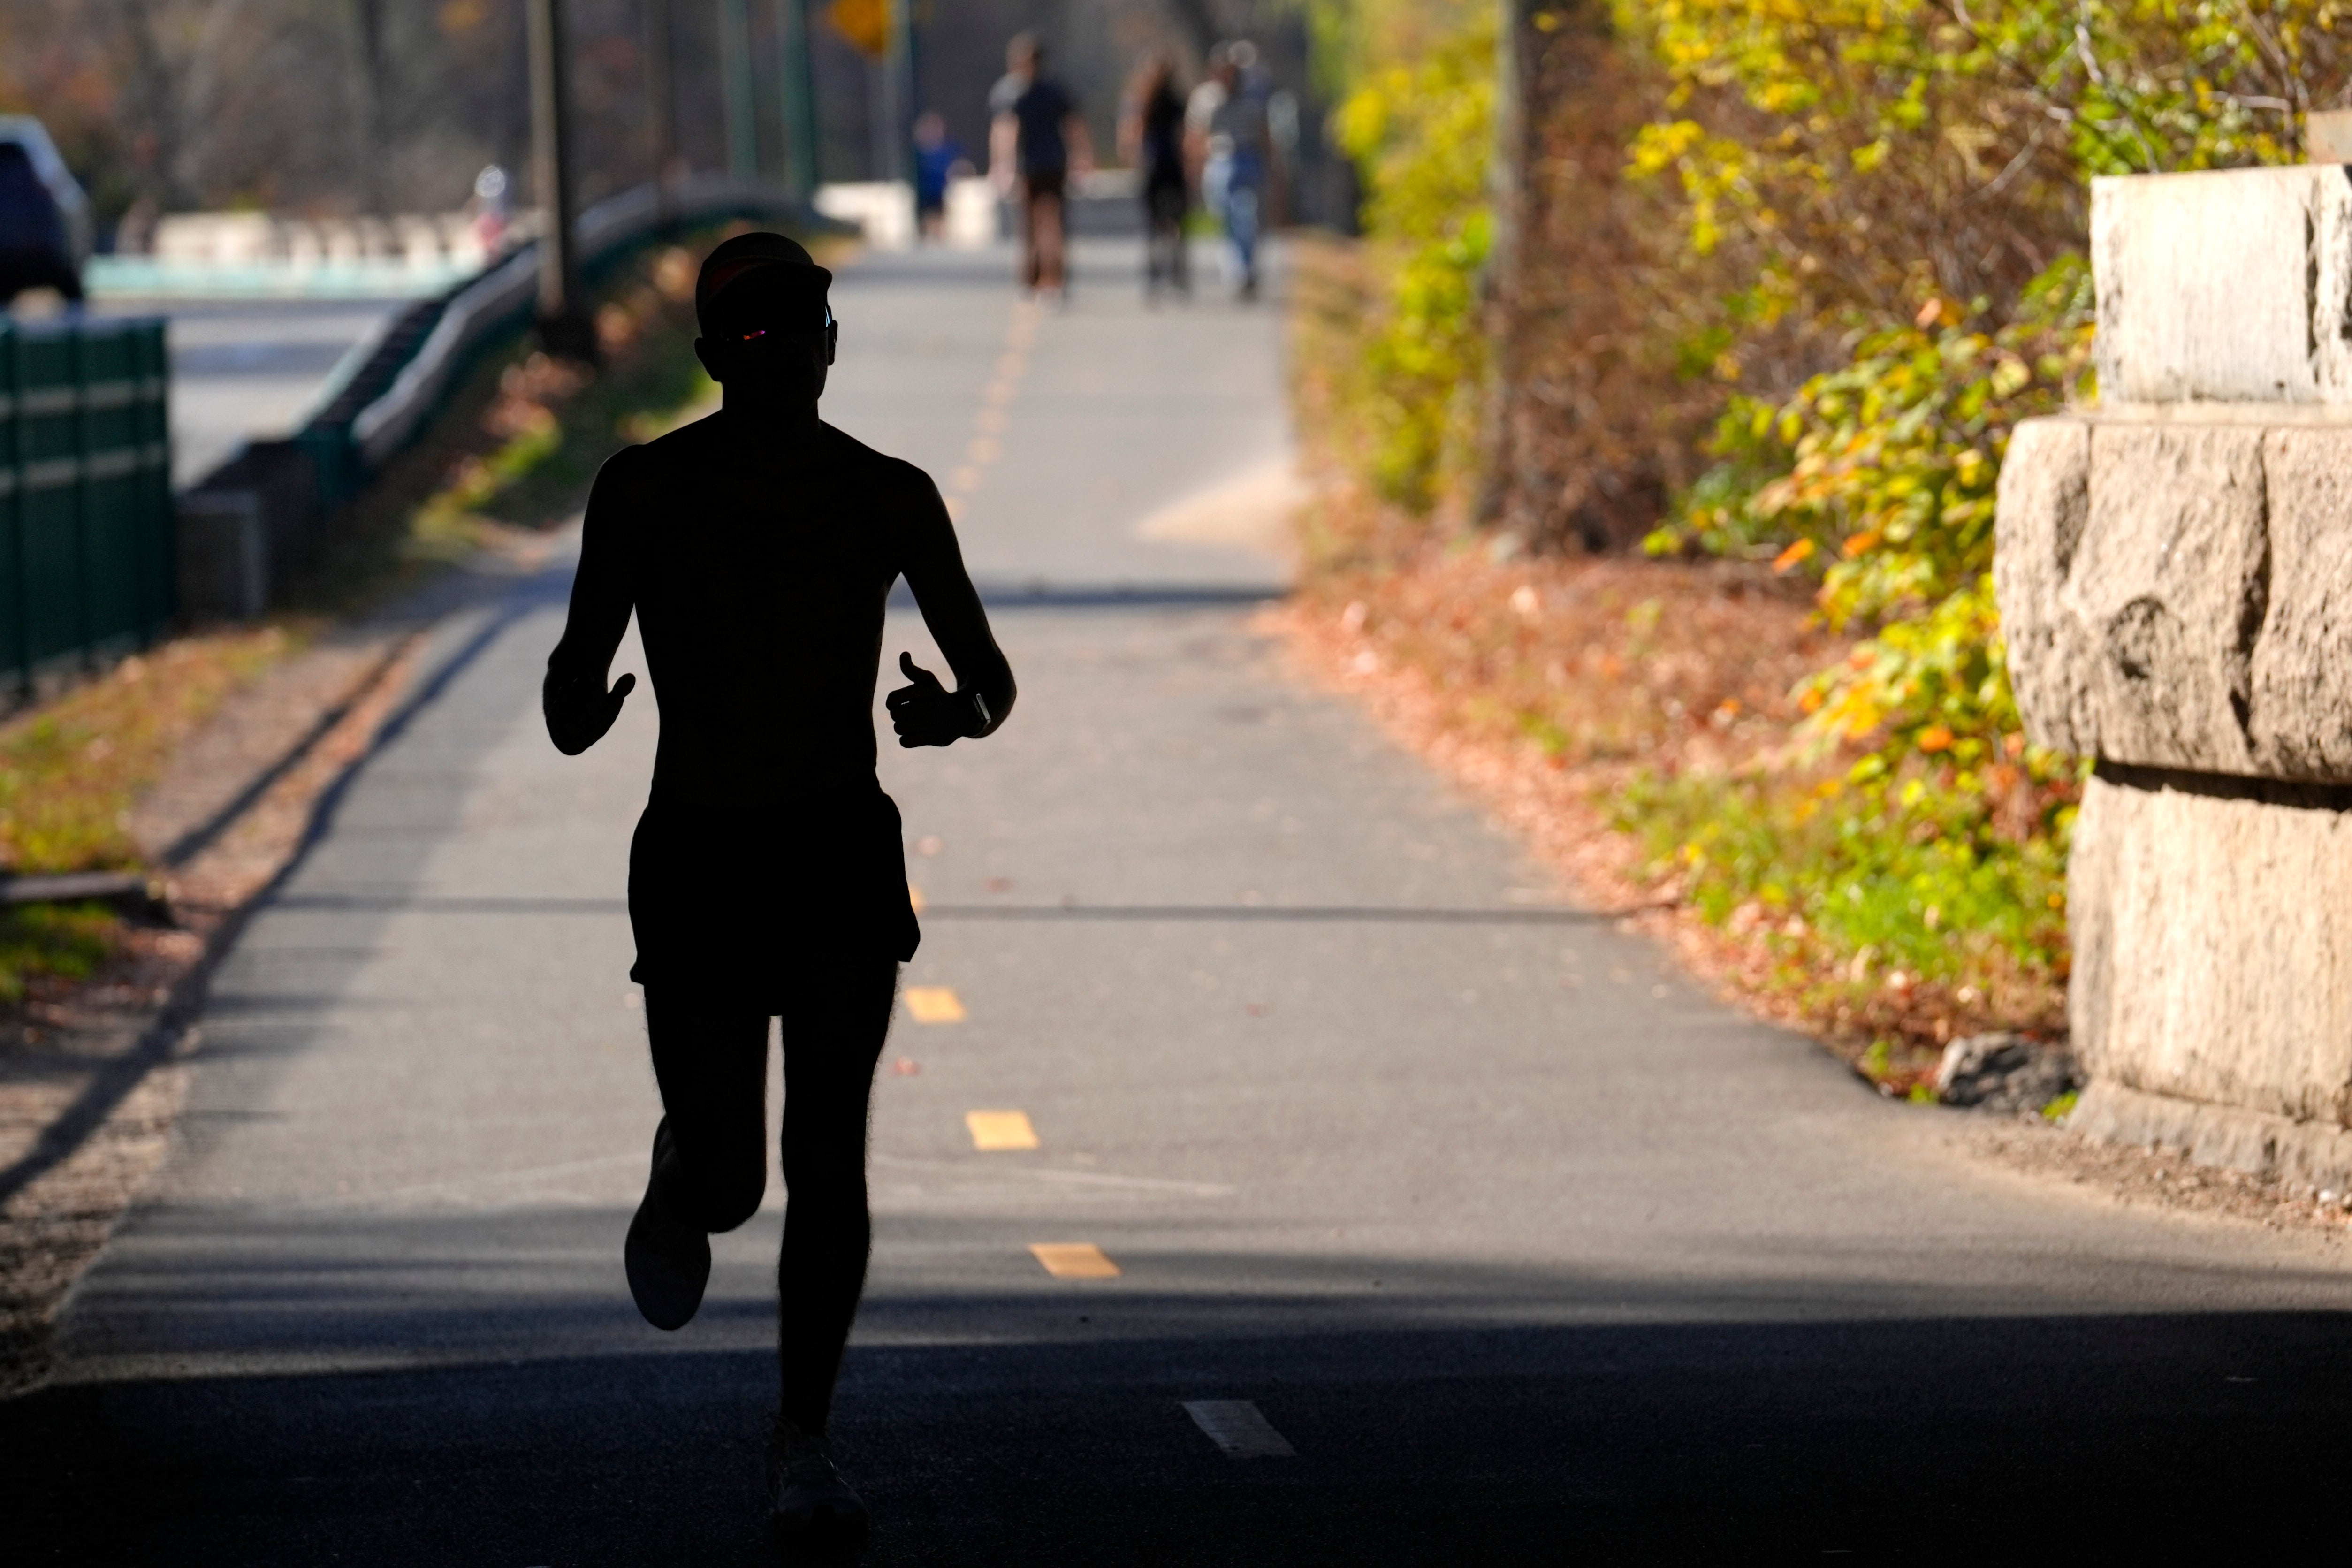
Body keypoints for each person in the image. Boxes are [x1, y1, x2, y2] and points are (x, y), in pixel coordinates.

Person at [542, 231, 1016, 1540]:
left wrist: (955, 712)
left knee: (827, 1156)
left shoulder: (889, 495)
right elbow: (571, 692)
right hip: (697, 853)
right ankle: (684, 1164)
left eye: (795, 327)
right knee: (733, 1183)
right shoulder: (639, 490)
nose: (779, 350)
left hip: (836, 850)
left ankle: (803, 1439)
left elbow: (989, 676)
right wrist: (586, 703)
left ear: (828, 348)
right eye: (755, 333)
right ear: (714, 358)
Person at [988, 32, 1092, 299]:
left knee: (1051, 223)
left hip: (1050, 164)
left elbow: (1072, 125)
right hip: (1028, 166)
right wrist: (1003, 165)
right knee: (1031, 225)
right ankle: (1033, 277)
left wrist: (1082, 157)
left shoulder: (1046, 91)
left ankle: (1053, 279)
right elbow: (1005, 132)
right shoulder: (1014, 92)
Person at [1186, 40, 1273, 300]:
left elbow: (1264, 134)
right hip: (1220, 161)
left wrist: (1271, 166)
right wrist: (1194, 168)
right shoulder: (1206, 99)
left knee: (1246, 215)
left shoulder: (1253, 97)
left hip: (1248, 158)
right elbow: (1197, 136)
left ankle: (1244, 269)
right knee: (1226, 218)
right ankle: (1237, 267)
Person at [1119, 49, 1191, 299]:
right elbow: (1132, 132)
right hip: (1154, 166)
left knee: (1176, 225)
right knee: (1154, 225)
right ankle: (1155, 276)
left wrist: (1189, 165)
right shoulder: (1142, 101)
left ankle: (1177, 276)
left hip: (1172, 166)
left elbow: (1184, 136)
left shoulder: (1174, 100)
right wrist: (1133, 157)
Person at [911, 111, 968, 244]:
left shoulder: (947, 149)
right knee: (926, 222)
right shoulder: (918, 153)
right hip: (924, 193)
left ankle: (940, 241)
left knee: (940, 221)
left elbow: (959, 165)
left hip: (940, 192)